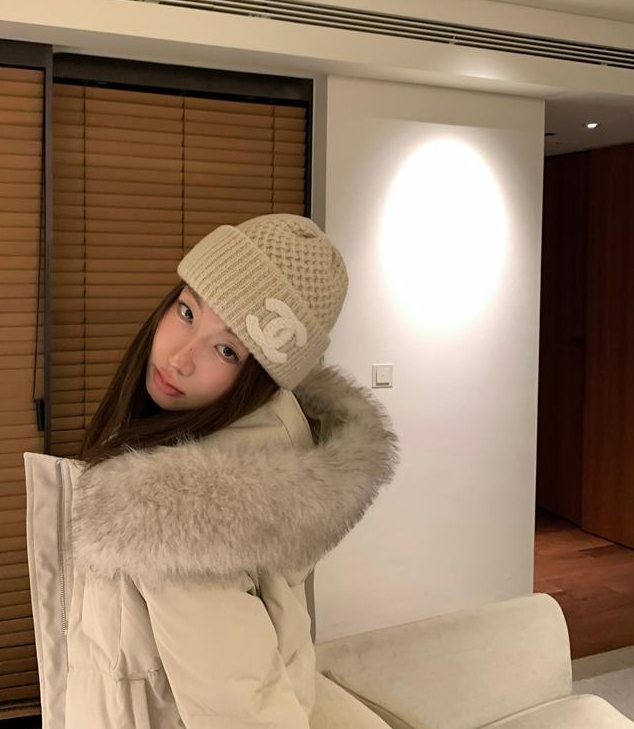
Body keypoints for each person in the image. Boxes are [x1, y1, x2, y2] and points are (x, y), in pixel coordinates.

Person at [24, 213, 400, 728]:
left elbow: (245, 715)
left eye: (226, 349)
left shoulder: (182, 516)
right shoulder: (259, 448)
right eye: (186, 311)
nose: (180, 358)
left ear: (263, 378)